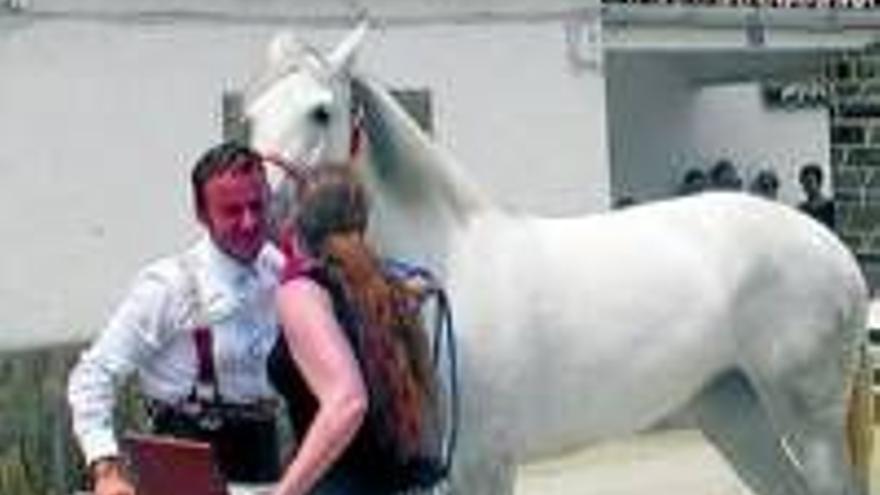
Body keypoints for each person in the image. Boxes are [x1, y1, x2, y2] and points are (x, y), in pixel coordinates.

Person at [67, 142, 286, 495]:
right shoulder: (169, 286)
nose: (250, 222)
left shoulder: (277, 268)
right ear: (201, 214)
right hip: (185, 463)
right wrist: (105, 469)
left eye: (257, 206)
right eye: (232, 211)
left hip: (264, 459)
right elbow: (92, 376)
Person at [267, 163, 441, 495]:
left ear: (294, 224)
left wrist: (284, 492)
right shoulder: (386, 291)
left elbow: (347, 401)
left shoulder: (301, 294)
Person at [798, 163, 836, 229]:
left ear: (819, 183)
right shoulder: (802, 210)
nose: (806, 186)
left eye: (810, 182)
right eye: (804, 182)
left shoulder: (830, 207)